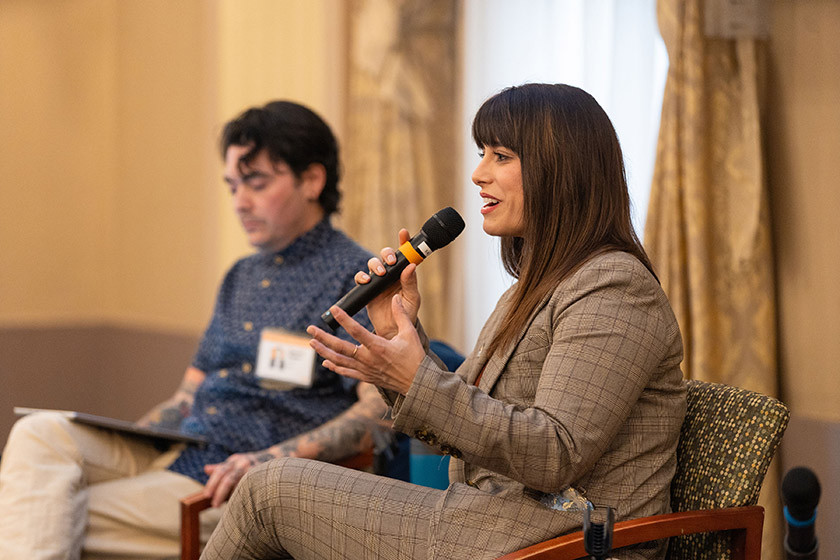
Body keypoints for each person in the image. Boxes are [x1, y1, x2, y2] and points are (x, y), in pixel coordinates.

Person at [200, 83, 687, 560]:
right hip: (483, 523)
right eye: (482, 153)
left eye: (500, 156)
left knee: (269, 489)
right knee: (268, 491)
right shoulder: (532, 288)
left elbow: (553, 452)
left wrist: (413, 378)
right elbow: (467, 416)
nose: (478, 174)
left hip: (550, 542)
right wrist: (396, 331)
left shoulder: (613, 286)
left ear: (559, 170)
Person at [0, 101, 391, 559]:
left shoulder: (357, 280)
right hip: (182, 447)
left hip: (236, 478)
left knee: (39, 510)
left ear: (312, 180)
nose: (239, 202)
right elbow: (188, 396)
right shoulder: (239, 276)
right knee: (40, 433)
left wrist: (268, 464)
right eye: (232, 187)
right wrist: (133, 438)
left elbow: (378, 417)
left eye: (256, 183)